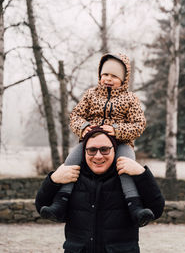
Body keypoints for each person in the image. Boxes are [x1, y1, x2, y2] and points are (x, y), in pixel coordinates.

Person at [40, 53, 154, 226]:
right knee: (72, 162)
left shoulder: (130, 99)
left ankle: (135, 205)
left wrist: (117, 130)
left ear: (123, 79)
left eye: (114, 76)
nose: (108, 79)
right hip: (91, 140)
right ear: (100, 75)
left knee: (125, 164)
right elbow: (75, 116)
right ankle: (60, 202)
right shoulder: (91, 95)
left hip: (121, 142)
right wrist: (84, 127)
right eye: (105, 74)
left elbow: (139, 124)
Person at [35, 128, 165, 253]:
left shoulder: (129, 176)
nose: (98, 156)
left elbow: (156, 209)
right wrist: (53, 180)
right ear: (84, 151)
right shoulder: (71, 177)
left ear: (115, 150)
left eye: (104, 150)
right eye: (92, 150)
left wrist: (142, 174)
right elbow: (41, 206)